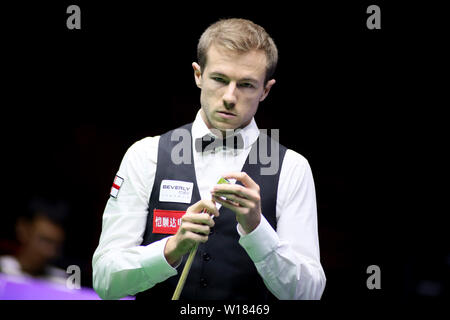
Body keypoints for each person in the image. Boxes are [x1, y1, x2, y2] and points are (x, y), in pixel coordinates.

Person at [92, 18, 326, 300]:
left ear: (265, 90)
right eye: (219, 79)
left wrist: (257, 228)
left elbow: (308, 294)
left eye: (247, 85)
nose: (230, 96)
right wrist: (171, 248)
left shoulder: (292, 168)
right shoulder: (146, 155)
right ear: (198, 74)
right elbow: (105, 281)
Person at [0, 197, 68, 285]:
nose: (50, 252)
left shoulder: (61, 283)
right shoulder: (2, 270)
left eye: (56, 245)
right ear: (23, 230)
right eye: (44, 240)